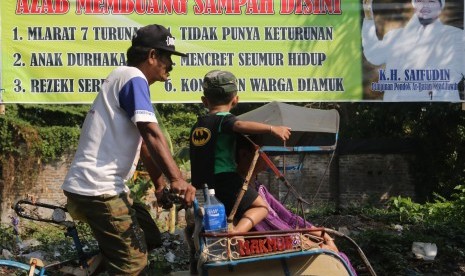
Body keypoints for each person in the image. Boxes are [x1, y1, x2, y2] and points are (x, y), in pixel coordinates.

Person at [61, 24, 196, 275]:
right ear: (152, 56)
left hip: (101, 188)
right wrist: (177, 179)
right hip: (99, 189)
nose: (171, 65)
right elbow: (152, 133)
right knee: (133, 264)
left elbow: (144, 144)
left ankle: (99, 266)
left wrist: (159, 185)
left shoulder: (126, 78)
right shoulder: (133, 78)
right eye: (167, 57)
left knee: (150, 236)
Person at [235, 135, 358, 275]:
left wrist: (323, 235)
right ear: (244, 155)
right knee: (337, 259)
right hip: (279, 251)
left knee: (341, 257)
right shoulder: (241, 193)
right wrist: (318, 246)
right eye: (263, 151)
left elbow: (290, 218)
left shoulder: (259, 188)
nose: (267, 156)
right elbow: (274, 237)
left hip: (293, 244)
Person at [189, 70, 291, 233]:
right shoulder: (224, 119)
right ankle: (236, 232)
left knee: (210, 224)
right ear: (235, 100)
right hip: (226, 180)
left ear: (204, 101)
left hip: (201, 186)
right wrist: (272, 129)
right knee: (261, 207)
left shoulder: (197, 126)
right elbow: (239, 126)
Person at [362, 0, 465, 101]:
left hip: (438, 106)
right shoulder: (395, 36)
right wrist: (368, 17)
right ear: (414, 4)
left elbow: (459, 70)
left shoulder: (456, 35)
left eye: (431, 1)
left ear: (441, 5)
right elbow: (374, 55)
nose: (425, 5)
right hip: (398, 107)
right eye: (420, 1)